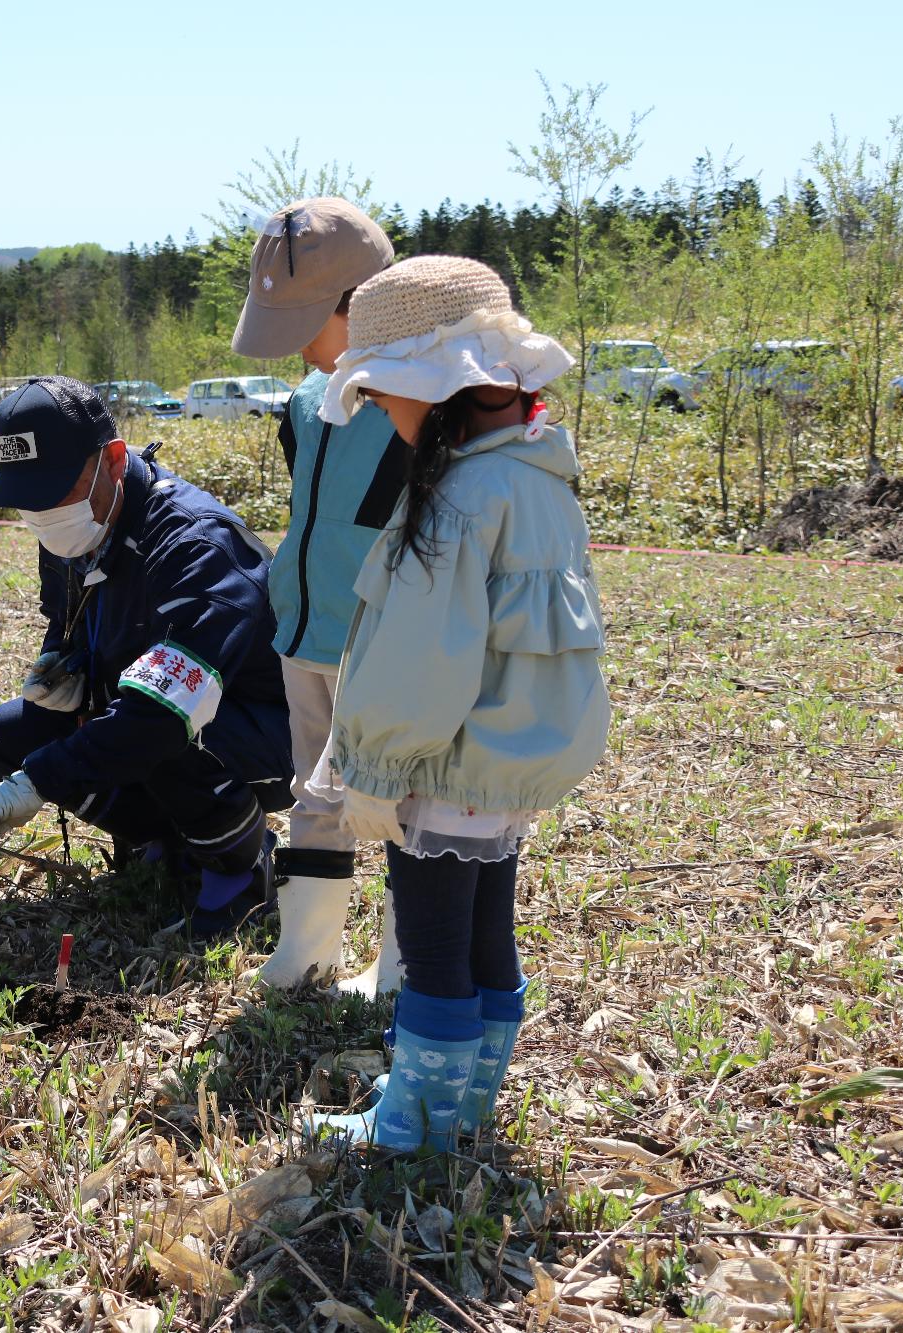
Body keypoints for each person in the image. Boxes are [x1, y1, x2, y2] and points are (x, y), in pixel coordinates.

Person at [305, 256, 609, 1151]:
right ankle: (467, 1103)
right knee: (486, 932)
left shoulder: (454, 501)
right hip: (507, 758)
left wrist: (373, 769)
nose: (383, 414)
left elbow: (415, 662)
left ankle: (414, 1128)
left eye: (387, 393)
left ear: (437, 392)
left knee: (432, 944)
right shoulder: (539, 477)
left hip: (442, 761)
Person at [0, 376, 291, 939]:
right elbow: (66, 623)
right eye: (26, 500)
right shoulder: (75, 530)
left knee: (161, 731)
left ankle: (239, 865)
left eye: (56, 490)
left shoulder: (195, 544)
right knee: (8, 736)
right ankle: (170, 836)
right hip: (149, 702)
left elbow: (165, 710)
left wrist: (39, 780)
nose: (42, 516)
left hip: (268, 731)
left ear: (114, 460)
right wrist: (56, 673)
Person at [229, 198, 406, 993]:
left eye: (309, 321)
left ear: (361, 303)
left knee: (404, 802)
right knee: (315, 790)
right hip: (304, 633)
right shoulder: (304, 403)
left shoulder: (418, 406)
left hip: (383, 643)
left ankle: (403, 963)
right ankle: (307, 948)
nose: (298, 343)